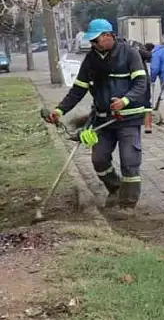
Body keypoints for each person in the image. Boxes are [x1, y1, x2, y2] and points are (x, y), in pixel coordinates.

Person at [45, 19, 149, 216]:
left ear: (108, 36)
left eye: (95, 40)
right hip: (102, 120)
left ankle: (128, 205)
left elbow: (141, 84)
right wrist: (59, 111)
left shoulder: (130, 54)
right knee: (99, 159)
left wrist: (125, 101)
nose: (92, 44)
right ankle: (115, 189)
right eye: (91, 41)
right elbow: (78, 90)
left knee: (129, 160)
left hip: (127, 117)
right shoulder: (91, 60)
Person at [139, 43, 154, 133]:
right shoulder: (139, 51)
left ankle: (147, 125)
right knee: (146, 102)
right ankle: (147, 126)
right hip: (143, 80)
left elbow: (149, 56)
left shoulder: (137, 51)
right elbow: (149, 56)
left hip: (142, 80)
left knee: (145, 102)